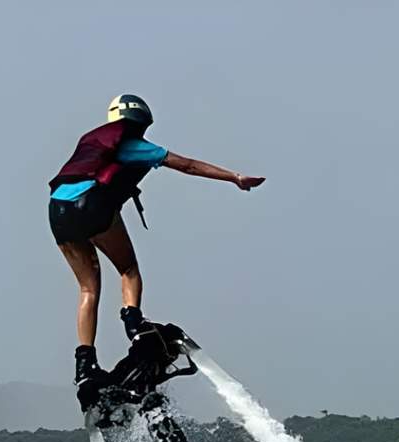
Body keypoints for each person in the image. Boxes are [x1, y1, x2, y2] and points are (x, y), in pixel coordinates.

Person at [49, 94, 265, 403]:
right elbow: (188, 165)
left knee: (87, 289)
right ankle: (135, 327)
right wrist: (235, 178)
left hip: (56, 210)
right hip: (90, 205)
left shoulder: (91, 145)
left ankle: (84, 366)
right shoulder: (133, 146)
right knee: (128, 270)